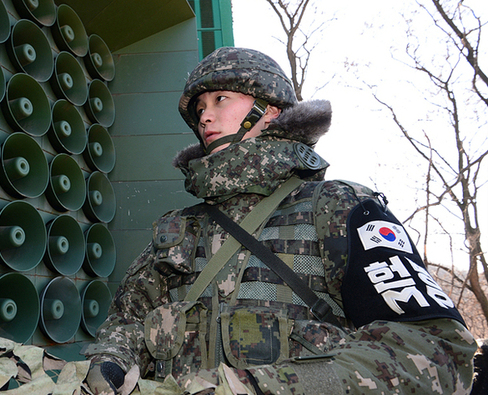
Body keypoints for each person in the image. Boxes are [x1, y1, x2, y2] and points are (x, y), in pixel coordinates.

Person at [82, 47, 477, 394]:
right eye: (200, 108)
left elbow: (435, 350)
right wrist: (110, 362)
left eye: (221, 99)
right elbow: (129, 319)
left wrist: (261, 388)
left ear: (269, 110)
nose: (205, 116)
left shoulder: (339, 206)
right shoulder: (178, 228)